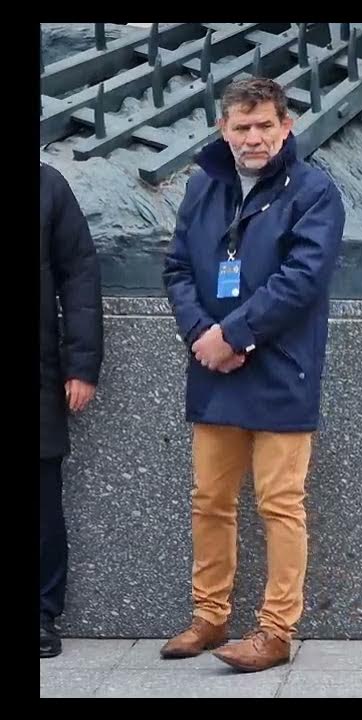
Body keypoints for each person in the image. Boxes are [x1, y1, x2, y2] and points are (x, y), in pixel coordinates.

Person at [160, 77, 346, 672]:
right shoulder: (203, 186)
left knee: (280, 504)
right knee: (209, 500)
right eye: (242, 127)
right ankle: (209, 617)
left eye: (265, 124)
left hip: (280, 370)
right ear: (224, 130)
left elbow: (301, 279)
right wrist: (201, 337)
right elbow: (177, 268)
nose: (254, 137)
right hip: (214, 368)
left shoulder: (315, 191)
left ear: (285, 126)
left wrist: (233, 335)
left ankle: (275, 630)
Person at [39, 162, 104, 659]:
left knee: (42, 500)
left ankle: (41, 613)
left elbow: (79, 276)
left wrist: (81, 365)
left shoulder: (48, 187)